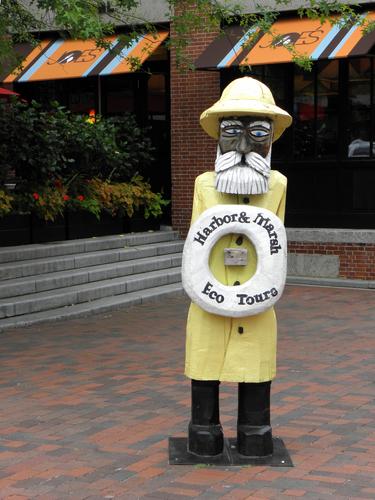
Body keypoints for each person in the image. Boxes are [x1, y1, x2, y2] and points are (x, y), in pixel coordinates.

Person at [184, 76, 292, 457]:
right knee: (205, 360)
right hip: (209, 295)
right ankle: (203, 430)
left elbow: (275, 235)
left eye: (258, 131)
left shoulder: (277, 185)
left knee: (256, 366)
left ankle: (254, 431)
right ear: (218, 135)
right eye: (232, 131)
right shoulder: (203, 185)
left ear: (271, 137)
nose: (245, 145)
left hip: (258, 297)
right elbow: (197, 240)